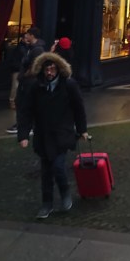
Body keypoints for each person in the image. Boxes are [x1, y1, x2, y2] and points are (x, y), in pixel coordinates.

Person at [16, 51, 88, 219]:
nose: (49, 73)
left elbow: (79, 108)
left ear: (58, 69)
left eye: (53, 69)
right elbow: (26, 111)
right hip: (43, 135)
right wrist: (23, 135)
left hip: (62, 133)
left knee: (58, 166)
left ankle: (65, 192)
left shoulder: (68, 85)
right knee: (46, 172)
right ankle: (46, 203)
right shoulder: (36, 87)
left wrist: (82, 129)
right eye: (47, 69)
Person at [7, 27, 46, 134]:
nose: (25, 36)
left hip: (30, 81)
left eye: (27, 34)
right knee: (23, 103)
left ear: (32, 35)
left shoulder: (37, 49)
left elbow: (35, 66)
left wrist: (25, 75)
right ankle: (24, 124)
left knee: (25, 104)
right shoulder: (31, 47)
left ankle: (26, 125)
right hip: (27, 80)